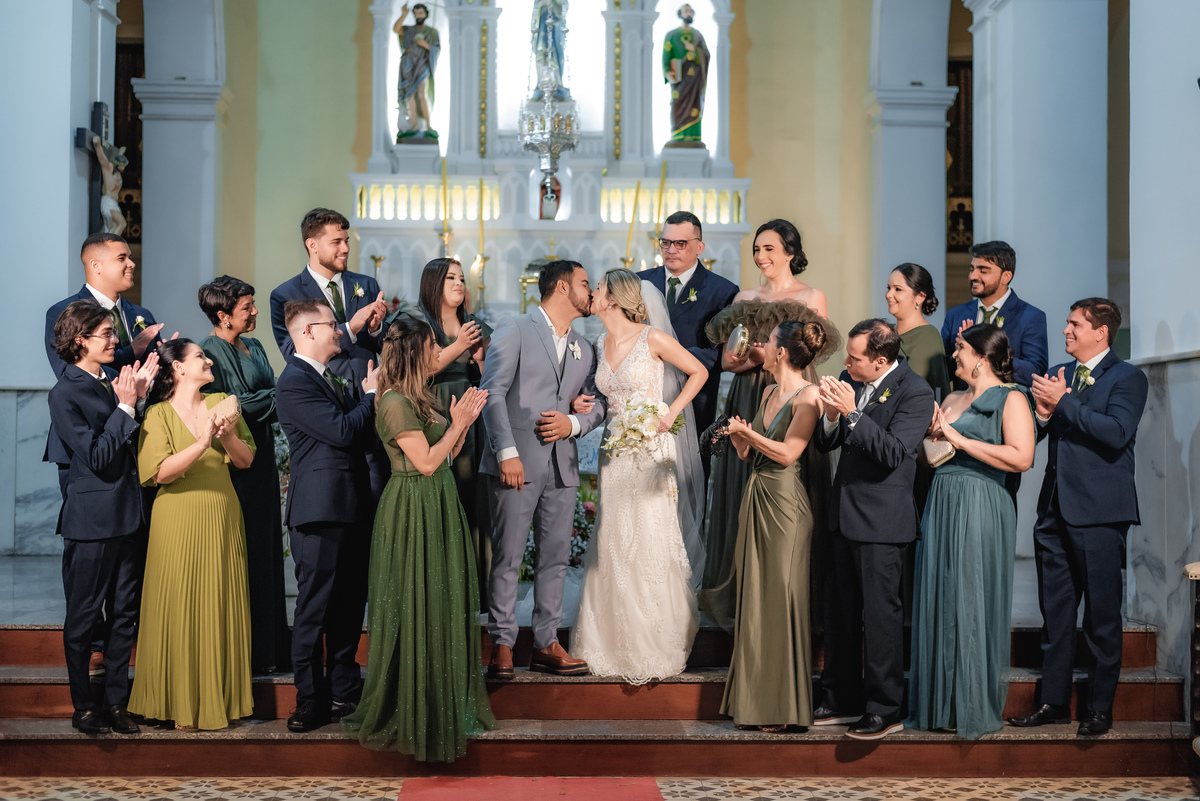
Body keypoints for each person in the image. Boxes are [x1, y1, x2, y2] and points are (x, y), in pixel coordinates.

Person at [342, 318, 495, 762]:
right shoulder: (392, 402)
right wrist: (457, 422)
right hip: (411, 507)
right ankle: (410, 707)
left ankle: (437, 698)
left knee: (441, 602)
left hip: (438, 502)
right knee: (415, 603)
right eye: (431, 347)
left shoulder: (418, 396)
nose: (438, 353)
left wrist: (464, 422)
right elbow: (426, 462)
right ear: (412, 353)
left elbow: (447, 451)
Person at [1009, 298, 1148, 737]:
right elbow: (1046, 428)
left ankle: (1099, 708)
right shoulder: (1061, 373)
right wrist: (1044, 413)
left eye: (1074, 325)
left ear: (1100, 332)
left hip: (1100, 514)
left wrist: (1064, 401)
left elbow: (1115, 433)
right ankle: (1052, 702)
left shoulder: (1128, 377)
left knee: (1102, 617)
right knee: (1056, 614)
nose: (1066, 331)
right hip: (1053, 510)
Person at [570, 270, 707, 683]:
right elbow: (601, 397)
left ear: (613, 298)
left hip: (649, 450)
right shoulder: (599, 342)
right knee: (613, 537)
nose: (592, 293)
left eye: (598, 288)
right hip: (614, 453)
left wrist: (670, 411)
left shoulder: (653, 338)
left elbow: (698, 372)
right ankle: (608, 639)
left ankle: (653, 638)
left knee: (647, 537)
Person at [43, 232, 170, 678]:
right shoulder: (63, 312)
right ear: (96, 265)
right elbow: (73, 375)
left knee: (125, 559)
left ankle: (119, 654)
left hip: (130, 442)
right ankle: (91, 643)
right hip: (84, 446)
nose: (131, 264)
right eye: (122, 258)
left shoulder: (141, 314)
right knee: (89, 548)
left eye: (131, 258)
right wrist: (131, 359)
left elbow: (146, 383)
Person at [699, 219, 833, 631]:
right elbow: (726, 360)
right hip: (749, 392)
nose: (761, 257)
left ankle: (795, 588)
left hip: (794, 390)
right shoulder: (745, 296)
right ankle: (741, 587)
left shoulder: (812, 296)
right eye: (757, 249)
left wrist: (778, 360)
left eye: (770, 249)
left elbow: (817, 352)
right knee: (743, 480)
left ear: (790, 252)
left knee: (795, 477)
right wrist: (754, 358)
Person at [480, 260, 608, 680]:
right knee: (508, 557)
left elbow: (596, 403)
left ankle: (546, 643)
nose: (591, 292)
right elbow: (492, 393)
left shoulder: (585, 348)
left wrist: (574, 422)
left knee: (555, 558)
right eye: (585, 284)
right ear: (560, 287)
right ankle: (501, 643)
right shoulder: (514, 328)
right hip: (516, 463)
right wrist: (506, 452)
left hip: (562, 465)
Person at [907, 324, 1035, 739]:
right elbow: (936, 457)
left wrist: (959, 439)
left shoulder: (1012, 397)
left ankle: (970, 705)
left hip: (982, 502)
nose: (954, 355)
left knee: (970, 595)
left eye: (960, 348)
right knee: (941, 595)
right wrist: (933, 439)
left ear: (982, 356)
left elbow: (1022, 458)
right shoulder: (951, 397)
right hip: (943, 499)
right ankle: (939, 704)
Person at [812, 319, 934, 740]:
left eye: (855, 357)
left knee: (881, 619)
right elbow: (829, 441)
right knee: (840, 614)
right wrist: (830, 416)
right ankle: (839, 697)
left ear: (881, 360)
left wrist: (851, 411)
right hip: (843, 514)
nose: (846, 362)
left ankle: (885, 707)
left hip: (883, 521)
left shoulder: (915, 391)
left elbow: (894, 453)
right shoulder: (851, 380)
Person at [130, 339, 256, 731]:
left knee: (218, 602)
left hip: (221, 513)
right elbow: (156, 473)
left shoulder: (223, 400)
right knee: (178, 603)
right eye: (200, 355)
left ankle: (218, 700)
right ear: (179, 368)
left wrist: (226, 436)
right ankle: (175, 702)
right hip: (175, 519)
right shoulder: (156, 414)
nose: (209, 359)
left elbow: (246, 459)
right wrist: (202, 441)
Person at [48, 300, 157, 735]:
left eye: (113, 333)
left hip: (129, 515)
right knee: (83, 617)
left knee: (125, 615)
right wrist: (127, 406)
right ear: (80, 341)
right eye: (107, 334)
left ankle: (116, 702)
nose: (116, 340)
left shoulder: (114, 380)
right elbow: (96, 456)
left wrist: (140, 401)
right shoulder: (65, 391)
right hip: (92, 523)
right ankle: (83, 706)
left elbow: (129, 444)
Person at [275, 299, 379, 733]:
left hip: (352, 505)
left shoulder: (331, 378)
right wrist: (370, 398)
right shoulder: (294, 381)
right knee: (315, 609)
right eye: (332, 325)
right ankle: (308, 699)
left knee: (349, 607)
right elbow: (340, 431)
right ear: (308, 332)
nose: (340, 332)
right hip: (319, 510)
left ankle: (342, 689)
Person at [720, 320, 827, 732]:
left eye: (766, 342)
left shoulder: (810, 395)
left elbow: (788, 453)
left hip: (786, 505)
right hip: (757, 497)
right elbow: (751, 455)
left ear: (781, 352)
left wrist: (747, 431)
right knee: (756, 601)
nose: (758, 346)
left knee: (783, 601)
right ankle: (754, 701)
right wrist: (737, 437)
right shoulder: (766, 391)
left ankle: (783, 706)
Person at [199, 276, 289, 675]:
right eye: (247, 307)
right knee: (245, 552)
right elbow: (228, 406)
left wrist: (267, 397)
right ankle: (246, 652)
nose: (255, 313)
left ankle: (270, 650)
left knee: (267, 550)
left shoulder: (253, 345)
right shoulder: (207, 352)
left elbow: (259, 395)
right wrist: (278, 396)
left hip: (266, 457)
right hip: (236, 462)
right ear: (222, 315)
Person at [270, 208, 391, 497]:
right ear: (312, 245)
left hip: (373, 406)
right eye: (336, 242)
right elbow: (294, 352)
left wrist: (375, 330)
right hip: (329, 409)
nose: (346, 248)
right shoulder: (286, 295)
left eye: (347, 240)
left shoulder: (366, 285)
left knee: (378, 502)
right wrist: (351, 328)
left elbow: (385, 344)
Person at [400, 258, 493, 611]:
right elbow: (414, 368)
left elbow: (490, 372)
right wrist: (458, 346)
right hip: (433, 408)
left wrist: (481, 360)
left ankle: (471, 591)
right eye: (450, 277)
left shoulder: (474, 324)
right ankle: (436, 588)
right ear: (432, 283)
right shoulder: (415, 320)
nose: (458, 283)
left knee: (471, 499)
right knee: (439, 494)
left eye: (461, 277)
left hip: (472, 413)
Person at [638, 210, 739, 438]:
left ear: (700, 247)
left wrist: (675, 356)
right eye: (665, 242)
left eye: (680, 243)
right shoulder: (638, 281)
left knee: (690, 469)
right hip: (643, 392)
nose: (670, 250)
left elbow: (720, 355)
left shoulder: (722, 291)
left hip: (693, 396)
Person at [941, 240, 1048, 388]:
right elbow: (942, 371)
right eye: (972, 269)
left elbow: (1035, 372)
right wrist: (961, 351)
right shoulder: (955, 315)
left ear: (1006, 277)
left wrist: (986, 352)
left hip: (1006, 406)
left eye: (983, 271)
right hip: (963, 405)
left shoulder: (1031, 317)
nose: (972, 276)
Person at [887, 263, 952, 401]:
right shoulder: (886, 332)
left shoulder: (927, 336)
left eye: (898, 289)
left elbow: (913, 387)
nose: (888, 295)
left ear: (920, 297)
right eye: (888, 288)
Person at [662, 4, 710, 147]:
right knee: (677, 104)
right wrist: (667, 70)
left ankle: (693, 136)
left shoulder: (697, 36)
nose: (688, 14)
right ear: (680, 14)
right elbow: (666, 56)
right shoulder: (672, 35)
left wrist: (695, 50)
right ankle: (678, 135)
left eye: (690, 11)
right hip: (680, 79)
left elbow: (706, 54)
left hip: (695, 79)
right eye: (685, 11)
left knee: (694, 105)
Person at [393, 3, 440, 139]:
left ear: (425, 14)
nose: (418, 16)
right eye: (416, 13)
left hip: (422, 64)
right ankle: (413, 126)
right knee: (410, 95)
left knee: (422, 93)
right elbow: (396, 29)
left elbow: (436, 49)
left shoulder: (432, 32)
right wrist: (403, 14)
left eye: (421, 13)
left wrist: (425, 45)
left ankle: (428, 126)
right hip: (408, 65)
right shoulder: (408, 30)